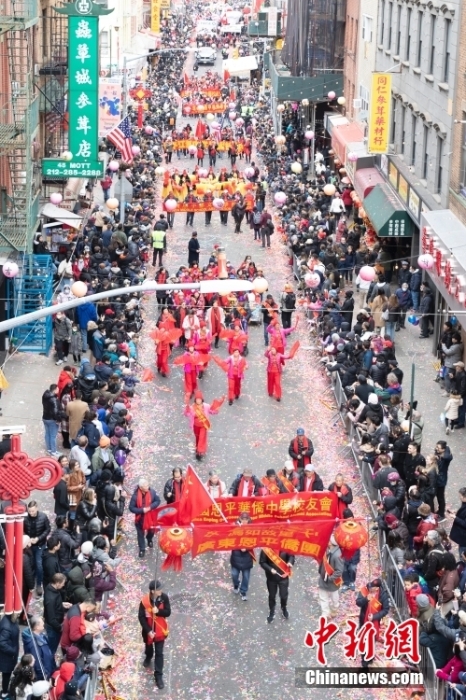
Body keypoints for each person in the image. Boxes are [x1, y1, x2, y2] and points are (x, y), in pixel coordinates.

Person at [138, 580, 171, 689]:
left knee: (160, 653)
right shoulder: (144, 602)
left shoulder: (164, 597)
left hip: (160, 630)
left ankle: (158, 675)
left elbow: (168, 612)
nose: (161, 590)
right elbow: (141, 617)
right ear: (152, 591)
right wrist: (148, 630)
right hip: (148, 631)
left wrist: (158, 612)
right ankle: (148, 656)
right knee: (148, 646)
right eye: (159, 589)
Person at [355, 579, 390, 667]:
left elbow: (385, 610)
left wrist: (375, 617)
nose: (371, 589)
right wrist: (366, 599)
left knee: (371, 639)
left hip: (374, 622)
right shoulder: (364, 590)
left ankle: (370, 657)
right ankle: (364, 661)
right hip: (364, 619)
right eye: (370, 587)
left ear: (378, 588)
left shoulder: (383, 595)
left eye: (373, 588)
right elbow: (358, 602)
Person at [183, 391, 225, 460]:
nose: (198, 401)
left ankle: (200, 452)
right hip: (195, 426)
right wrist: (187, 409)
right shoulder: (192, 407)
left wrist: (217, 408)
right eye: (197, 399)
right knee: (198, 438)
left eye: (199, 399)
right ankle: (198, 448)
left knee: (202, 438)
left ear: (202, 400)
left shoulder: (206, 406)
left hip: (203, 425)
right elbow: (187, 414)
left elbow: (212, 411)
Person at [259, 548, 294, 623]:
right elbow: (262, 562)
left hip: (283, 576)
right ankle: (272, 611)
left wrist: (290, 562)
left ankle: (283, 607)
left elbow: (291, 556)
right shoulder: (266, 549)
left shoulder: (285, 546)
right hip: (271, 578)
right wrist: (270, 569)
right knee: (272, 596)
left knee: (284, 595)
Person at [129, 478, 161, 559]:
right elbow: (131, 508)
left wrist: (150, 507)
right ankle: (142, 549)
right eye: (146, 486)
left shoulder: (152, 492)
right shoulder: (135, 496)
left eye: (147, 484)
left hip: (151, 517)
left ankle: (149, 539)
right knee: (140, 534)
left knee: (151, 531)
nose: (148, 486)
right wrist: (142, 510)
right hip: (140, 518)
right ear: (141, 488)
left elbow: (158, 501)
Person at [24, 501, 50, 597]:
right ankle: (31, 582)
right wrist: (27, 539)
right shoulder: (25, 518)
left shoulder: (43, 517)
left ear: (37, 508)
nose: (31, 513)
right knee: (30, 564)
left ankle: (39, 584)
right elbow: (22, 530)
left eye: (33, 511)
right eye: (30, 511)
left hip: (40, 544)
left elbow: (48, 529)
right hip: (29, 545)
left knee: (39, 564)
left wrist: (38, 538)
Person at [317, 534, 344, 618]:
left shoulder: (337, 555)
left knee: (334, 597)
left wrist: (330, 578)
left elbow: (339, 571)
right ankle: (325, 613)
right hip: (323, 578)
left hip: (332, 581)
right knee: (323, 597)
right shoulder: (327, 550)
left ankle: (335, 608)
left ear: (331, 543)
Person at [230, 513, 255, 601]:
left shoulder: (252, 530)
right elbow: (229, 539)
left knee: (246, 577)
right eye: (243, 519)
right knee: (234, 574)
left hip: (247, 558)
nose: (244, 521)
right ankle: (236, 584)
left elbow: (255, 542)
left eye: (246, 519)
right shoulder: (235, 528)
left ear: (248, 520)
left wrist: (247, 548)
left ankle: (243, 591)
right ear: (240, 519)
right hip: (236, 557)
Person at [21, 616, 55, 681]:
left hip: (48, 668)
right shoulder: (33, 643)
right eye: (42, 623)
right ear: (36, 627)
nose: (43, 624)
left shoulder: (42, 635)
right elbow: (37, 662)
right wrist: (43, 675)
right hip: (43, 675)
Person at [43, 573, 69, 656]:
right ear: (57, 583)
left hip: (54, 624)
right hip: (53, 627)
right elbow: (51, 619)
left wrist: (61, 604)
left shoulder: (51, 589)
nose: (63, 585)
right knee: (52, 648)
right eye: (62, 583)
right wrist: (60, 628)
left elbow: (54, 606)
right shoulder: (51, 598)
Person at [0, 613, 20, 697]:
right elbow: (2, 643)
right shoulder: (7, 626)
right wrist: (13, 651)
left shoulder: (9, 620)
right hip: (7, 656)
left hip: (8, 655)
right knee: (6, 674)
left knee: (7, 674)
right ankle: (4, 693)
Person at [435, 440, 453, 522]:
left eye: (438, 448)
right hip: (438, 477)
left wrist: (439, 457)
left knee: (440, 497)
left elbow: (448, 457)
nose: (436, 449)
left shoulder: (446, 457)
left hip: (441, 479)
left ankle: (442, 514)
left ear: (443, 449)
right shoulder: (439, 452)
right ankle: (440, 510)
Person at [42, 384, 61, 457]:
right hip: (52, 419)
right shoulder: (54, 399)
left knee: (47, 433)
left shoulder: (45, 396)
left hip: (45, 417)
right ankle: (53, 451)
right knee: (53, 436)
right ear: (55, 389)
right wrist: (58, 419)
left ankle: (49, 449)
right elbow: (55, 412)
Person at [449, 487, 466, 556]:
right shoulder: (464, 503)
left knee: (462, 553)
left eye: (460, 496)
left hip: (464, 538)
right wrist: (457, 512)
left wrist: (455, 518)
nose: (459, 497)